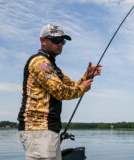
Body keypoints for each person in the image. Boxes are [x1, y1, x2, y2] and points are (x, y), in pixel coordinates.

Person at [17, 24, 102, 160]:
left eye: (62, 41)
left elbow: (72, 86)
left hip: (49, 130)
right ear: (43, 41)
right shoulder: (39, 62)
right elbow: (60, 91)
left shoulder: (53, 68)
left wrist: (88, 76)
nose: (60, 44)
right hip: (38, 129)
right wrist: (82, 89)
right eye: (56, 40)